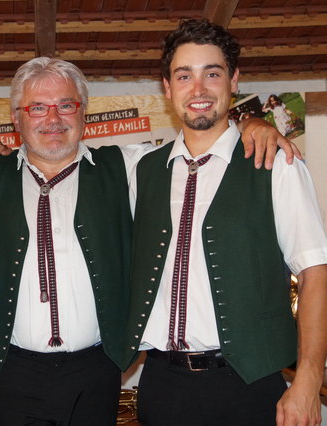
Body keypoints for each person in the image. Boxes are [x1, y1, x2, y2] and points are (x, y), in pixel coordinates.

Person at [0, 56, 298, 425]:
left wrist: (253, 124)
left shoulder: (130, 167)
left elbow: (202, 139)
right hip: (12, 373)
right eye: (37, 108)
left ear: (83, 114)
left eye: (66, 105)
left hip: (97, 373)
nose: (53, 118)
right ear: (17, 118)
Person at [123, 19, 327, 426]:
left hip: (249, 384)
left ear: (234, 80)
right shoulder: (143, 170)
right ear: (167, 87)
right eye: (184, 75)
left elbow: (315, 275)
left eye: (211, 73)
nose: (197, 90)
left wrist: (308, 379)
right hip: (162, 384)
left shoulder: (276, 164)